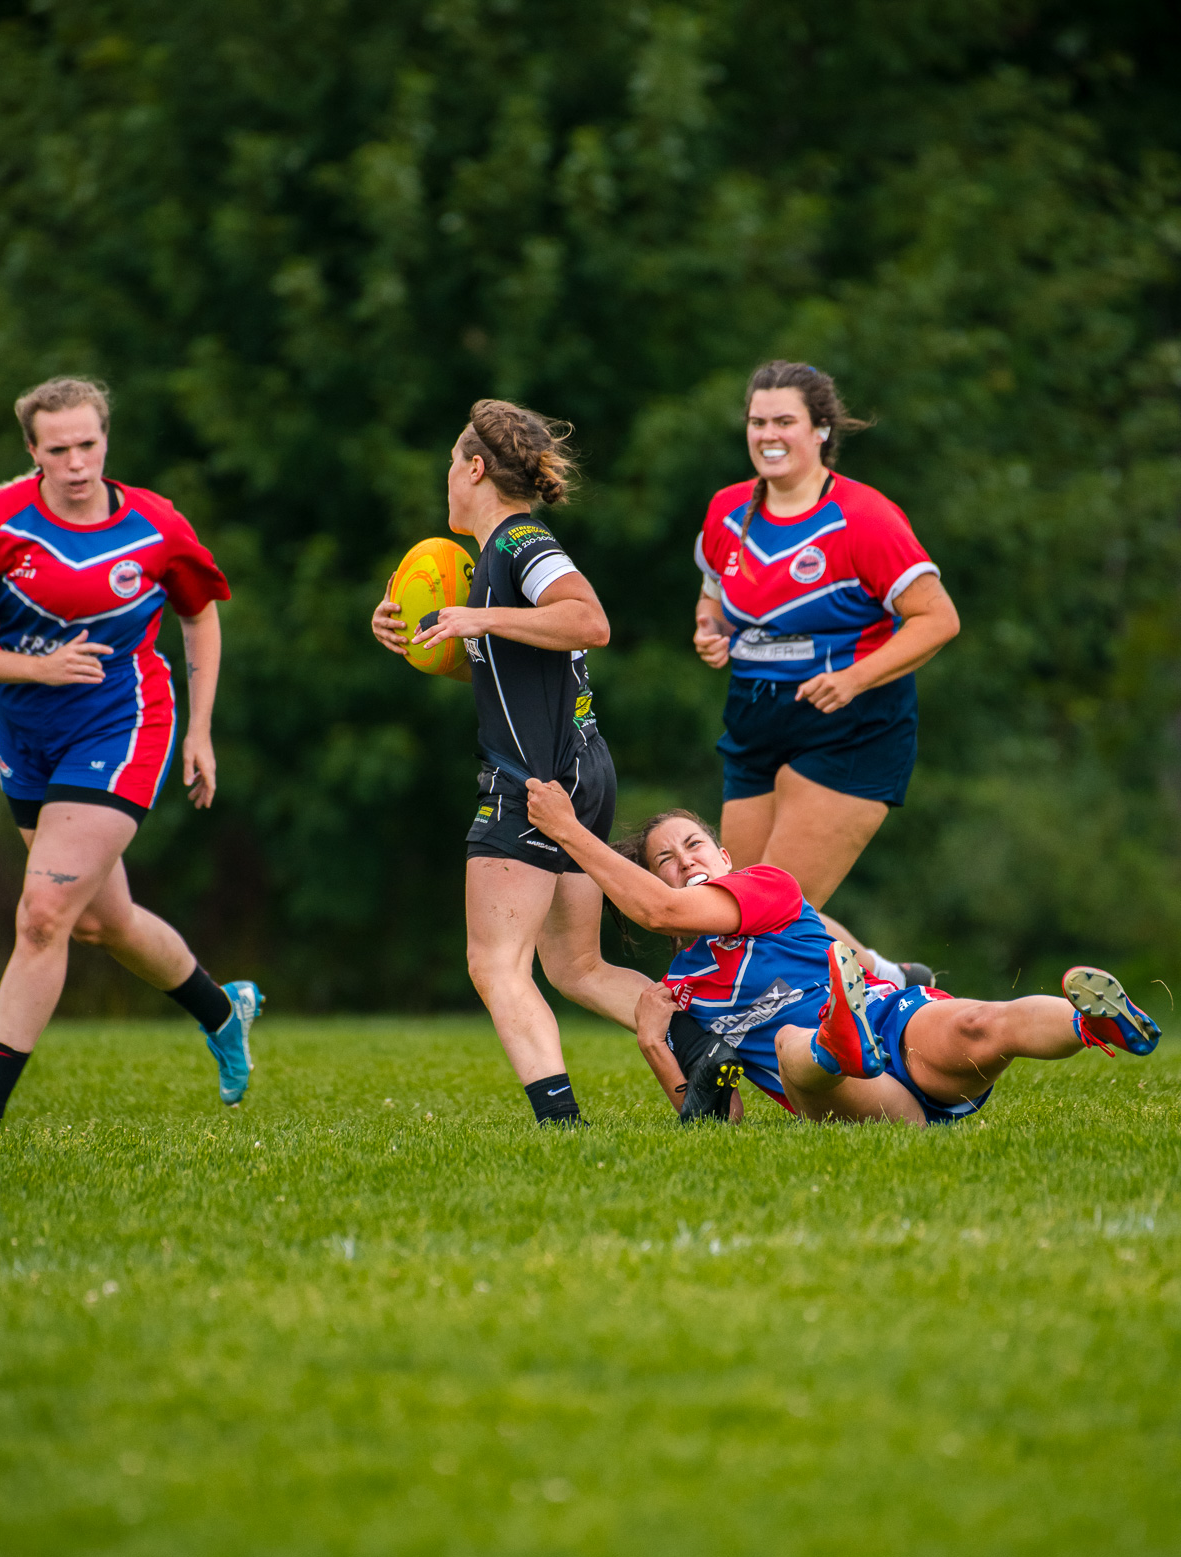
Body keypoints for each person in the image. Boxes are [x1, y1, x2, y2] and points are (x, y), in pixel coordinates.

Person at [522, 786, 1160, 1126]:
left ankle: (1092, 1023)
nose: (686, 860)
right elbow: (724, 1118)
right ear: (654, 876)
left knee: (979, 1025)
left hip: (897, 1023)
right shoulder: (682, 992)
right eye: (666, 859)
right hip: (861, 1099)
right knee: (794, 1052)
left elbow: (659, 911)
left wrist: (568, 829)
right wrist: (656, 1043)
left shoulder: (766, 885)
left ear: (724, 860)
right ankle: (836, 1041)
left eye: (695, 846)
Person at [0, 375, 262, 1140]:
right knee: (102, 923)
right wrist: (31, 669)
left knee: (42, 916)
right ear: (32, 452)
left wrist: (199, 731)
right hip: (26, 737)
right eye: (58, 449)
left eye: (89, 444)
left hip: (124, 725)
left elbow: (199, 617)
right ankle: (222, 1010)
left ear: (107, 439)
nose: (76, 462)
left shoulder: (155, 525)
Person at [371, 398, 652, 1125]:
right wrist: (426, 646)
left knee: (495, 963)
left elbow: (589, 619)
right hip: (578, 769)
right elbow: (510, 669)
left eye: (449, 467)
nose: (446, 481)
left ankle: (561, 1125)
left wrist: (480, 616)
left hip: (535, 777)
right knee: (577, 969)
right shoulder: (493, 559)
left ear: (472, 467)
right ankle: (706, 1045)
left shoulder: (522, 544)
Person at [692, 360, 960, 970]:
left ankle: (899, 1010)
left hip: (852, 721)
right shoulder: (727, 512)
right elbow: (716, 602)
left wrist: (854, 679)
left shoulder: (864, 518)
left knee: (770, 908)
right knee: (731, 911)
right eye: (758, 422)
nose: (768, 435)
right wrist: (711, 631)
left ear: (820, 431)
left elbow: (938, 619)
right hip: (756, 716)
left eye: (785, 421)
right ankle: (887, 978)